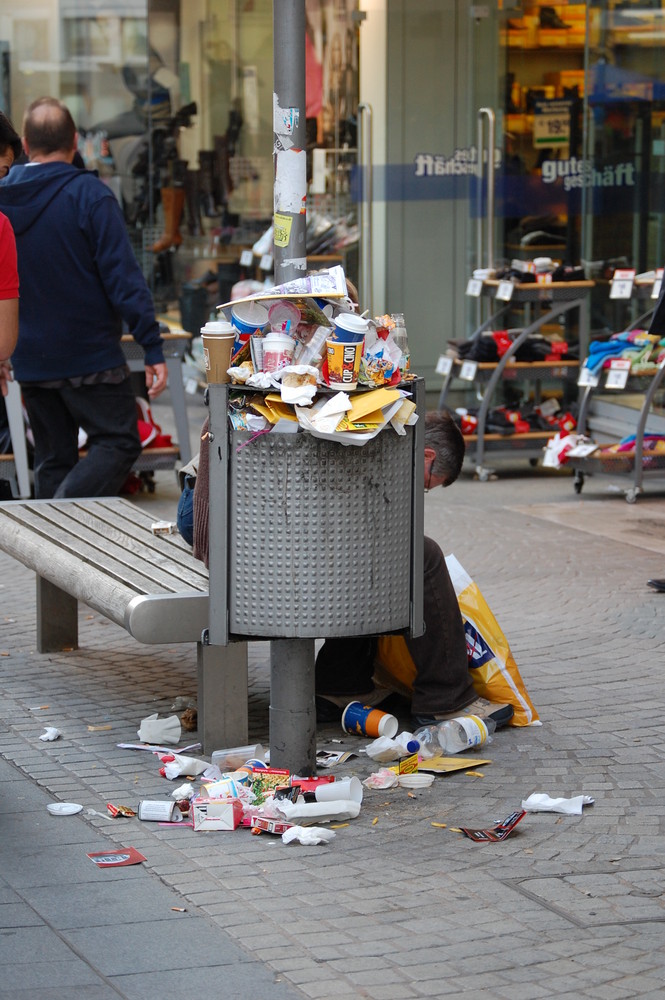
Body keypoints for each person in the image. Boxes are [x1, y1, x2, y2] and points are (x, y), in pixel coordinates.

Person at [180, 408, 514, 731]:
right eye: (428, 484)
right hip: (223, 512)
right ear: (426, 457)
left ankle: (342, 684)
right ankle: (445, 699)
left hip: (209, 498)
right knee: (419, 554)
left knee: (373, 547)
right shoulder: (373, 430)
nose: (422, 491)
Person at [0, 97, 168, 498]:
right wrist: (152, 346)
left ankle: (49, 553)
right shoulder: (91, 196)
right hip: (89, 356)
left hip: (29, 357)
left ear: (24, 143)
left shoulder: (4, 197)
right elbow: (124, 279)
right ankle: (61, 516)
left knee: (53, 456)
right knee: (120, 441)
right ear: (75, 141)